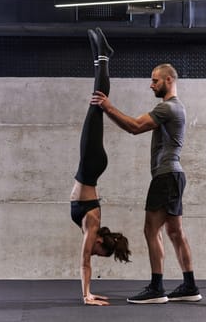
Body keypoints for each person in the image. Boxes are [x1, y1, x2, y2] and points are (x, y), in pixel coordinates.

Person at [91, 63, 202, 304]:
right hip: (174, 176)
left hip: (165, 177)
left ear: (169, 80)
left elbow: (135, 127)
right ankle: (190, 286)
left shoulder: (167, 108)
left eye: (155, 80)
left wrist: (107, 107)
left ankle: (156, 288)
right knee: (175, 232)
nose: (151, 84)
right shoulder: (177, 107)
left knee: (151, 230)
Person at [70, 28, 131, 306]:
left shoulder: (90, 228)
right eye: (99, 252)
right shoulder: (92, 226)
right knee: (97, 104)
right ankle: (104, 55)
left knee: (95, 105)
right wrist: (87, 295)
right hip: (91, 165)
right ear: (100, 244)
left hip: (90, 167)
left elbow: (86, 257)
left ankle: (101, 56)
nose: (92, 253)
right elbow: (84, 261)